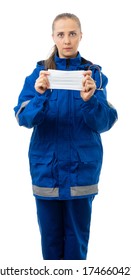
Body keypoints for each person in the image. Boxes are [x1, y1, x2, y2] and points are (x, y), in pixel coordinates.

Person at [14, 13, 118, 260]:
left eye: (72, 33)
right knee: (50, 245)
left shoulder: (94, 77)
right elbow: (23, 119)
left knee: (76, 245)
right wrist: (40, 96)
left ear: (81, 36)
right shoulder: (38, 76)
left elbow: (105, 123)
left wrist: (90, 100)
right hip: (46, 173)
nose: (67, 40)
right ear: (53, 38)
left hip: (81, 172)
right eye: (61, 34)